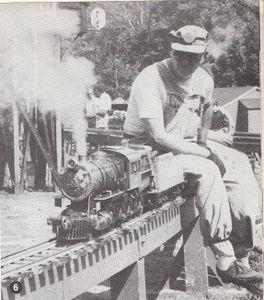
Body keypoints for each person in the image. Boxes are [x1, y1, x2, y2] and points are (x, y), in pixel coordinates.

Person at [124, 25, 262, 289]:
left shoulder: (203, 79)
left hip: (186, 145)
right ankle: (225, 260)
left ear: (203, 55)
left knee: (239, 162)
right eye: (180, 54)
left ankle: (246, 246)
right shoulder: (151, 78)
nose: (186, 62)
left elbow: (206, 110)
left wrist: (204, 141)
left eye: (193, 56)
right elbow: (158, 136)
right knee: (207, 169)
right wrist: (206, 152)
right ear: (172, 51)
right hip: (148, 152)